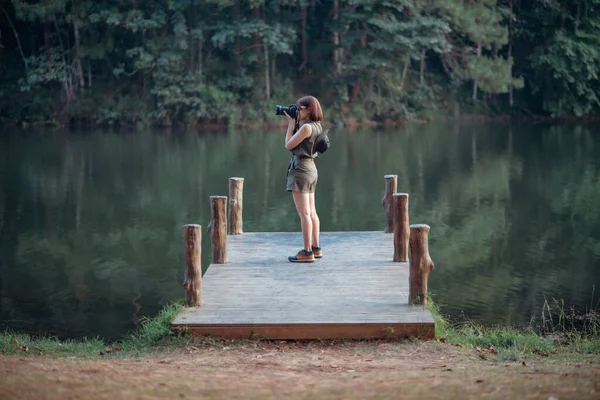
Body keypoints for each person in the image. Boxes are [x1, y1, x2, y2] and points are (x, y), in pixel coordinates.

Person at [283, 95, 324, 263]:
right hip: (311, 169)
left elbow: (288, 145)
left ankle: (307, 252)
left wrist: (291, 124)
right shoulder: (317, 126)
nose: (297, 111)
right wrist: (296, 122)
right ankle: (316, 247)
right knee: (312, 212)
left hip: (300, 170)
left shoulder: (306, 128)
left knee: (304, 213)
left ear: (309, 109)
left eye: (300, 108)